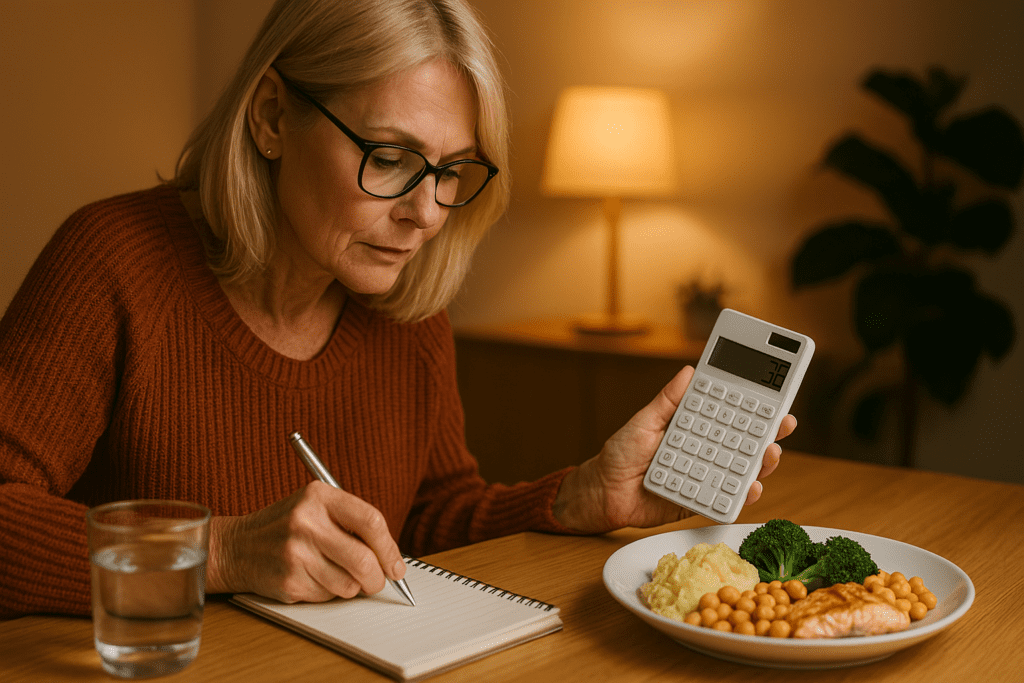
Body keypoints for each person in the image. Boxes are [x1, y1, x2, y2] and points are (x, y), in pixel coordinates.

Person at [0, 0, 795, 618]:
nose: (428, 213)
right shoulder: (112, 260)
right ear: (273, 116)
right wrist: (218, 552)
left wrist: (576, 495)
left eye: (451, 170)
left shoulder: (403, 303)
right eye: (390, 157)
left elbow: (425, 520)